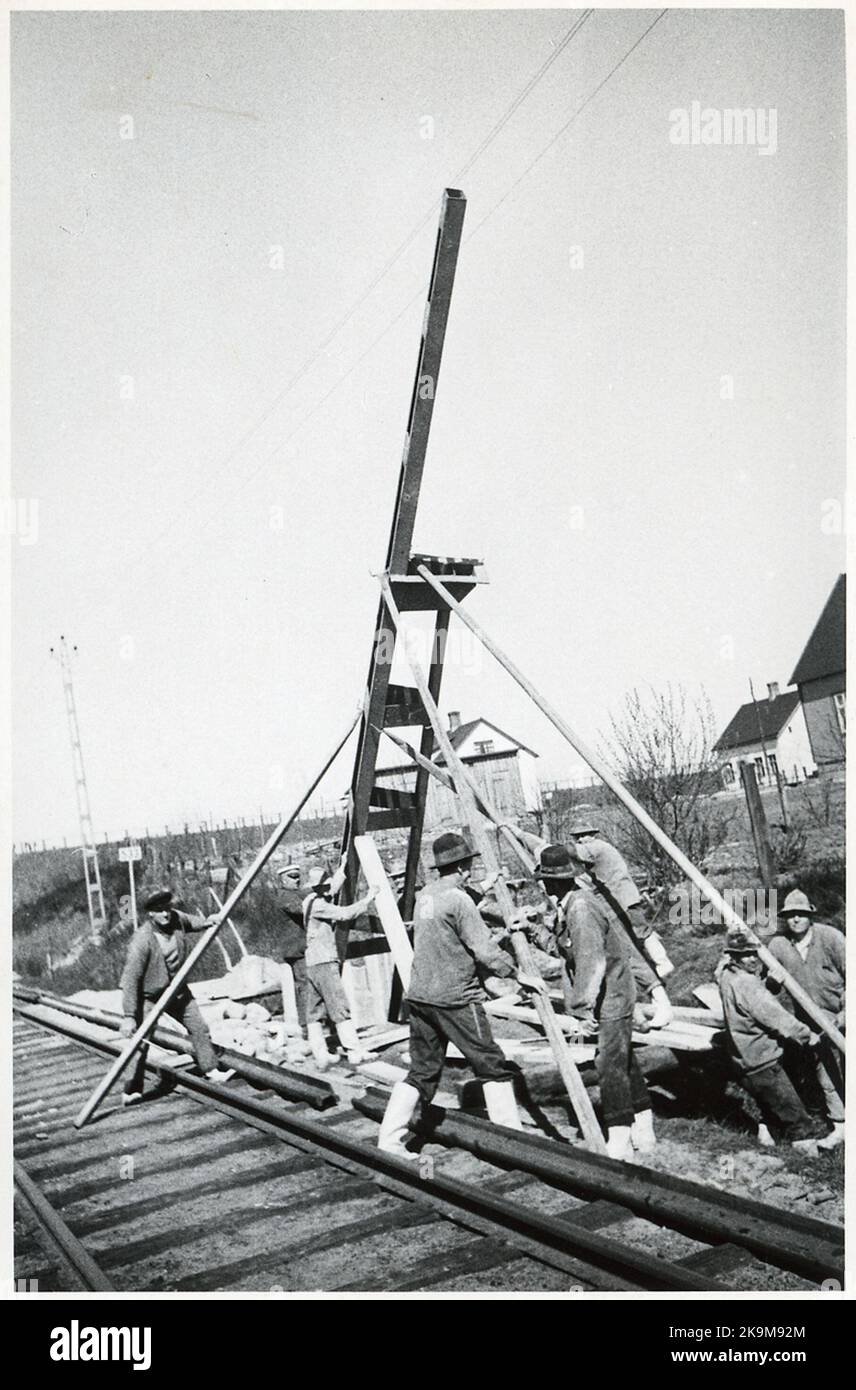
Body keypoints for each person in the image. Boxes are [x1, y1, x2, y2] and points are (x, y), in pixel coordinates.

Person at [378, 832, 545, 1156]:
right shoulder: (461, 900)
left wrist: (487, 885)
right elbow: (483, 950)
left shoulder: (428, 894)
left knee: (423, 1072)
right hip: (456, 998)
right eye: (469, 866)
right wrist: (517, 974)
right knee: (492, 1063)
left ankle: (388, 1141)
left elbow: (454, 907)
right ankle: (514, 1144)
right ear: (465, 867)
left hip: (422, 997)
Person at [533, 842, 653, 1160]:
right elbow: (566, 949)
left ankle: (619, 1137)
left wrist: (582, 1009)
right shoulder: (571, 905)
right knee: (623, 1059)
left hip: (611, 994)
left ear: (550, 882)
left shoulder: (581, 909)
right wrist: (533, 930)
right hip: (610, 992)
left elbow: (591, 962)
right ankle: (644, 1127)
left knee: (609, 1064)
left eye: (544, 881)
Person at [506, 822, 673, 1029]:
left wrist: (540, 846)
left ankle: (659, 987)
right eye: (578, 837)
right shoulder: (580, 871)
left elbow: (557, 850)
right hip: (610, 906)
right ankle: (638, 1011)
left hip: (617, 906)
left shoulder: (596, 849)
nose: (580, 839)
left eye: (584, 835)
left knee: (630, 954)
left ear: (592, 834)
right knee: (624, 956)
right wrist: (521, 835)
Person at [120, 888, 235, 1104]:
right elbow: (130, 980)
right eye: (159, 911)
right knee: (141, 1041)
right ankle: (131, 1090)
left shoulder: (176, 919)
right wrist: (128, 1016)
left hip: (177, 991)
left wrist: (207, 921)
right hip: (150, 996)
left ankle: (211, 1069)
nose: (165, 914)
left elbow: (191, 921)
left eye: (167, 909)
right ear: (150, 914)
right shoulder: (141, 941)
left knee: (199, 1027)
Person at [717, 927, 822, 1153]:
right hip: (763, 1063)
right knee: (799, 1121)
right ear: (734, 957)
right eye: (746, 955)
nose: (753, 959)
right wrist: (807, 1036)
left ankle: (767, 1137)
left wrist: (768, 985)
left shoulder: (726, 976)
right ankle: (807, 1164)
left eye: (754, 953)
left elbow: (748, 1003)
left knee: (771, 1105)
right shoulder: (747, 984)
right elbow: (776, 1017)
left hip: (743, 1061)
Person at [767, 889, 845, 1150]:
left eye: (801, 914)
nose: (796, 919)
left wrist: (844, 1014)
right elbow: (763, 990)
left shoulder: (831, 938)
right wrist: (772, 982)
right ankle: (841, 1123)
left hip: (842, 1012)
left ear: (810, 915)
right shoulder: (778, 946)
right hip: (813, 1022)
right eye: (790, 915)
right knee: (827, 1069)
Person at [303, 855, 379, 1068]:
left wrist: (343, 866)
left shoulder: (309, 900)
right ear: (321, 888)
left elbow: (332, 889)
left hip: (311, 962)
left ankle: (321, 1055)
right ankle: (354, 1051)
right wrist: (368, 898)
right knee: (339, 1007)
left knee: (314, 1012)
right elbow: (345, 914)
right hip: (325, 962)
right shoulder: (319, 906)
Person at [274, 863, 311, 1056]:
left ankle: (310, 1026)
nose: (297, 880)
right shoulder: (285, 897)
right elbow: (302, 909)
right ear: (283, 880)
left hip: (297, 949)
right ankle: (308, 1028)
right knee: (306, 987)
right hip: (297, 950)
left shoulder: (292, 894)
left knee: (305, 986)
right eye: (293, 876)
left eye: (298, 876)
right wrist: (317, 896)